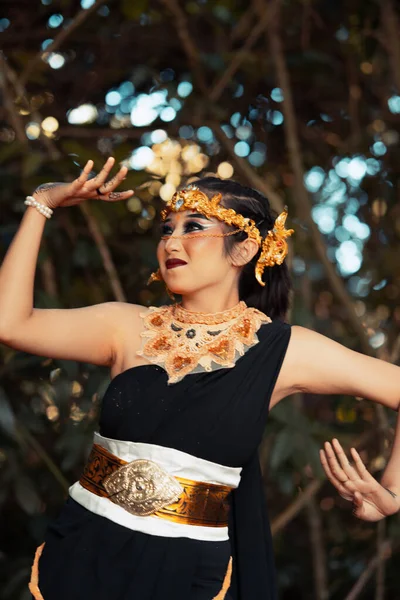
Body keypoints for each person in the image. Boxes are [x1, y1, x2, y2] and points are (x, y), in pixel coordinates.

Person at [0, 157, 399, 600]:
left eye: (193, 227)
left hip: (187, 574)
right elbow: (10, 324)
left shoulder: (285, 350)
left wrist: (393, 491)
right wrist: (43, 202)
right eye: (166, 229)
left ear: (245, 250)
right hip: (86, 553)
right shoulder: (124, 326)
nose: (172, 240)